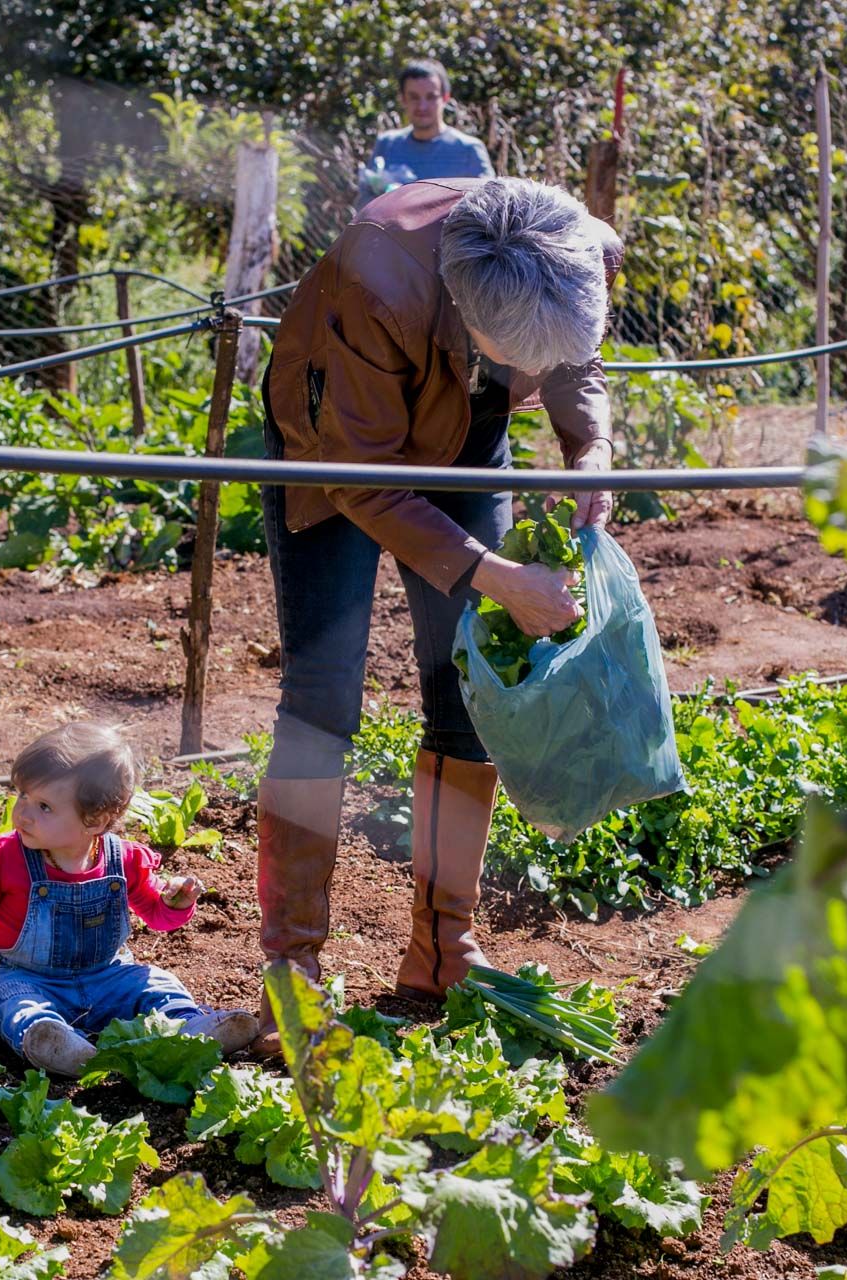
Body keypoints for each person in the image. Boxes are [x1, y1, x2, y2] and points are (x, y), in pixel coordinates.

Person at [255, 176, 620, 1046]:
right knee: (321, 695)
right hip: (335, 450)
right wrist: (497, 576)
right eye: (523, 360)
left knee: (469, 681)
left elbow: (579, 358)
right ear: (467, 308)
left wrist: (592, 446)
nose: (536, 377)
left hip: (465, 438)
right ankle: (293, 971)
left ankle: (442, 947)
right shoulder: (378, 277)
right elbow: (364, 480)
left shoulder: (578, 248)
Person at [0, 721, 258, 1076]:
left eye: (44, 806)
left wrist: (173, 904)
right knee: (15, 1001)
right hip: (27, 977)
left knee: (155, 983)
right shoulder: (5, 856)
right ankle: (53, 1042)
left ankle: (189, 1025)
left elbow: (156, 916)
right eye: (22, 794)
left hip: (107, 978)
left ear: (95, 821)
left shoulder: (123, 859)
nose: (23, 812)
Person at [360, 58, 493, 205]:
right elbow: (365, 205)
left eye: (431, 97)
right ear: (402, 99)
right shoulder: (387, 145)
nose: (422, 106)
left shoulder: (469, 150)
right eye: (414, 97)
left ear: (445, 98)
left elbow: (491, 206)